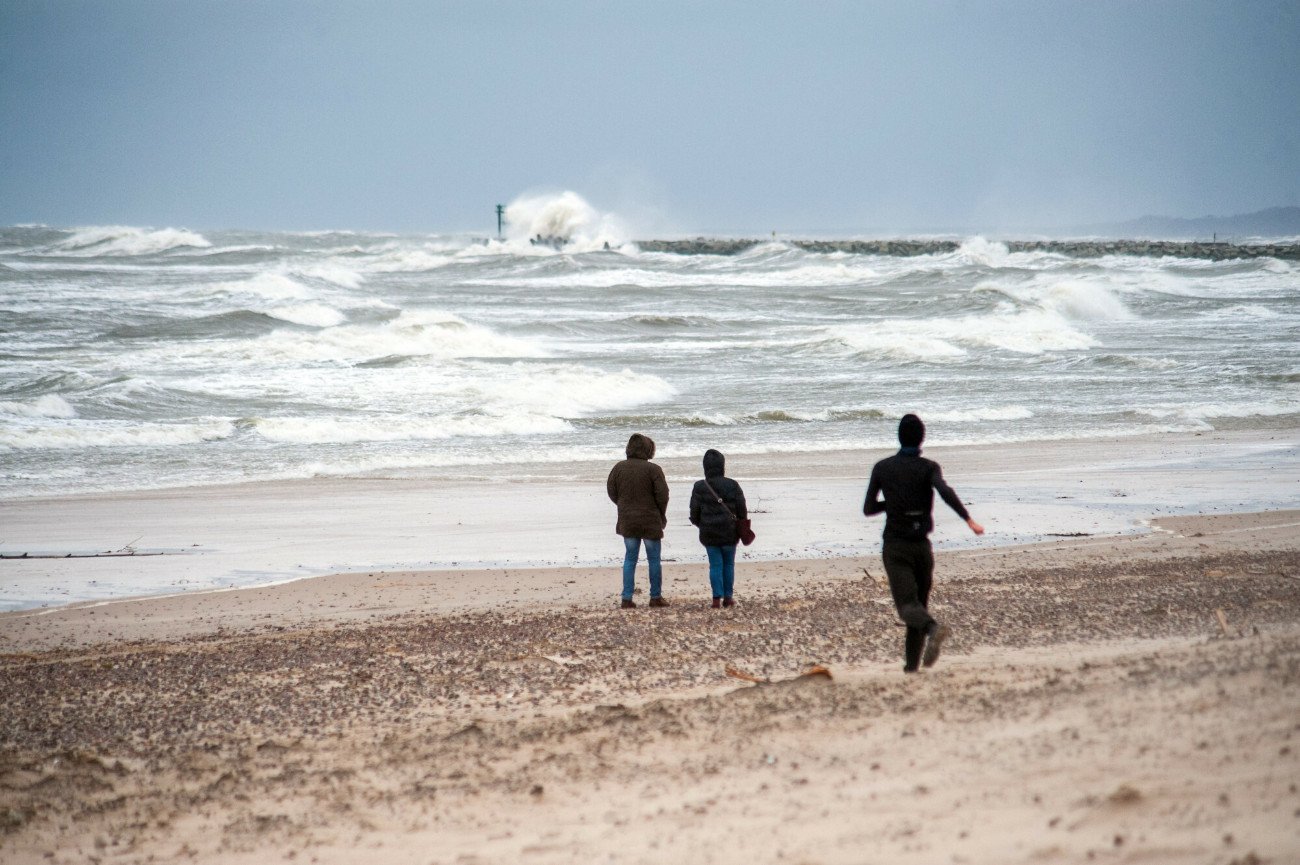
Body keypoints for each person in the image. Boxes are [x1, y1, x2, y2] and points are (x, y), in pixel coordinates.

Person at [864, 414, 984, 672]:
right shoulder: (929, 467)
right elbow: (944, 491)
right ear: (922, 438)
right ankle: (911, 668)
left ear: (899, 437)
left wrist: (892, 504)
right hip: (922, 548)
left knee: (908, 608)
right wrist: (968, 519)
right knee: (918, 607)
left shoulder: (883, 468)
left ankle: (934, 629)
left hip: (896, 547)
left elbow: (869, 508)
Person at [606, 433, 670, 609]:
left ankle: (627, 598)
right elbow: (663, 496)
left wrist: (623, 505)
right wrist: (661, 514)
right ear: (649, 450)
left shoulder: (618, 468)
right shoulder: (654, 470)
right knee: (654, 559)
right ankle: (655, 597)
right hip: (650, 519)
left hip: (628, 520)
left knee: (630, 559)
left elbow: (611, 491)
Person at [689, 449, 747, 609]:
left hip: (709, 533)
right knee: (728, 564)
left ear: (705, 467)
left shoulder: (699, 486)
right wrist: (740, 523)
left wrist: (701, 524)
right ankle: (728, 598)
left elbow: (694, 512)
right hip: (730, 532)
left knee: (715, 565)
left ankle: (716, 599)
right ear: (722, 466)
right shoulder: (733, 485)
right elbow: (742, 510)